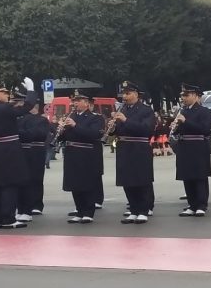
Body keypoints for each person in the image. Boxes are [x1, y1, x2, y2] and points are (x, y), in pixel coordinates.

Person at [0, 78, 36, 229]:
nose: (7, 94)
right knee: (10, 184)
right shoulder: (4, 108)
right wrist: (31, 90)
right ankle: (8, 218)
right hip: (9, 149)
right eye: (4, 92)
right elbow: (27, 107)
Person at [112, 81, 156, 225]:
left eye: (128, 93)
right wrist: (112, 127)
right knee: (127, 180)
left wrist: (126, 120)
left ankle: (143, 210)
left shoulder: (146, 110)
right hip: (124, 147)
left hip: (139, 148)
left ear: (136, 94)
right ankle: (134, 210)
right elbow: (118, 129)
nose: (124, 96)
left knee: (141, 179)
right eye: (123, 93)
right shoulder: (123, 109)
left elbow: (146, 129)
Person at [60, 91, 105, 223]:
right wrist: (61, 130)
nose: (75, 103)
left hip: (86, 154)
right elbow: (64, 137)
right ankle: (79, 211)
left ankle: (88, 212)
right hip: (71, 153)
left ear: (86, 103)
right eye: (74, 101)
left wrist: (75, 125)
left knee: (87, 184)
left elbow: (93, 134)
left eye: (78, 101)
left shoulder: (96, 118)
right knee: (74, 184)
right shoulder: (71, 116)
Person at [172, 84, 211, 217]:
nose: (183, 98)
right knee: (187, 176)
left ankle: (202, 204)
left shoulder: (205, 111)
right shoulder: (183, 111)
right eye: (182, 95)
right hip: (184, 146)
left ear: (196, 96)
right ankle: (192, 204)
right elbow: (179, 129)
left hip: (198, 146)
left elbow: (205, 129)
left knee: (199, 176)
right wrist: (175, 126)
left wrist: (185, 122)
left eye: (187, 95)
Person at [13, 94, 49, 221]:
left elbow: (40, 135)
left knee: (36, 178)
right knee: (23, 180)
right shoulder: (19, 119)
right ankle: (21, 207)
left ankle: (37, 204)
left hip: (37, 150)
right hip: (23, 150)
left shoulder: (41, 120)